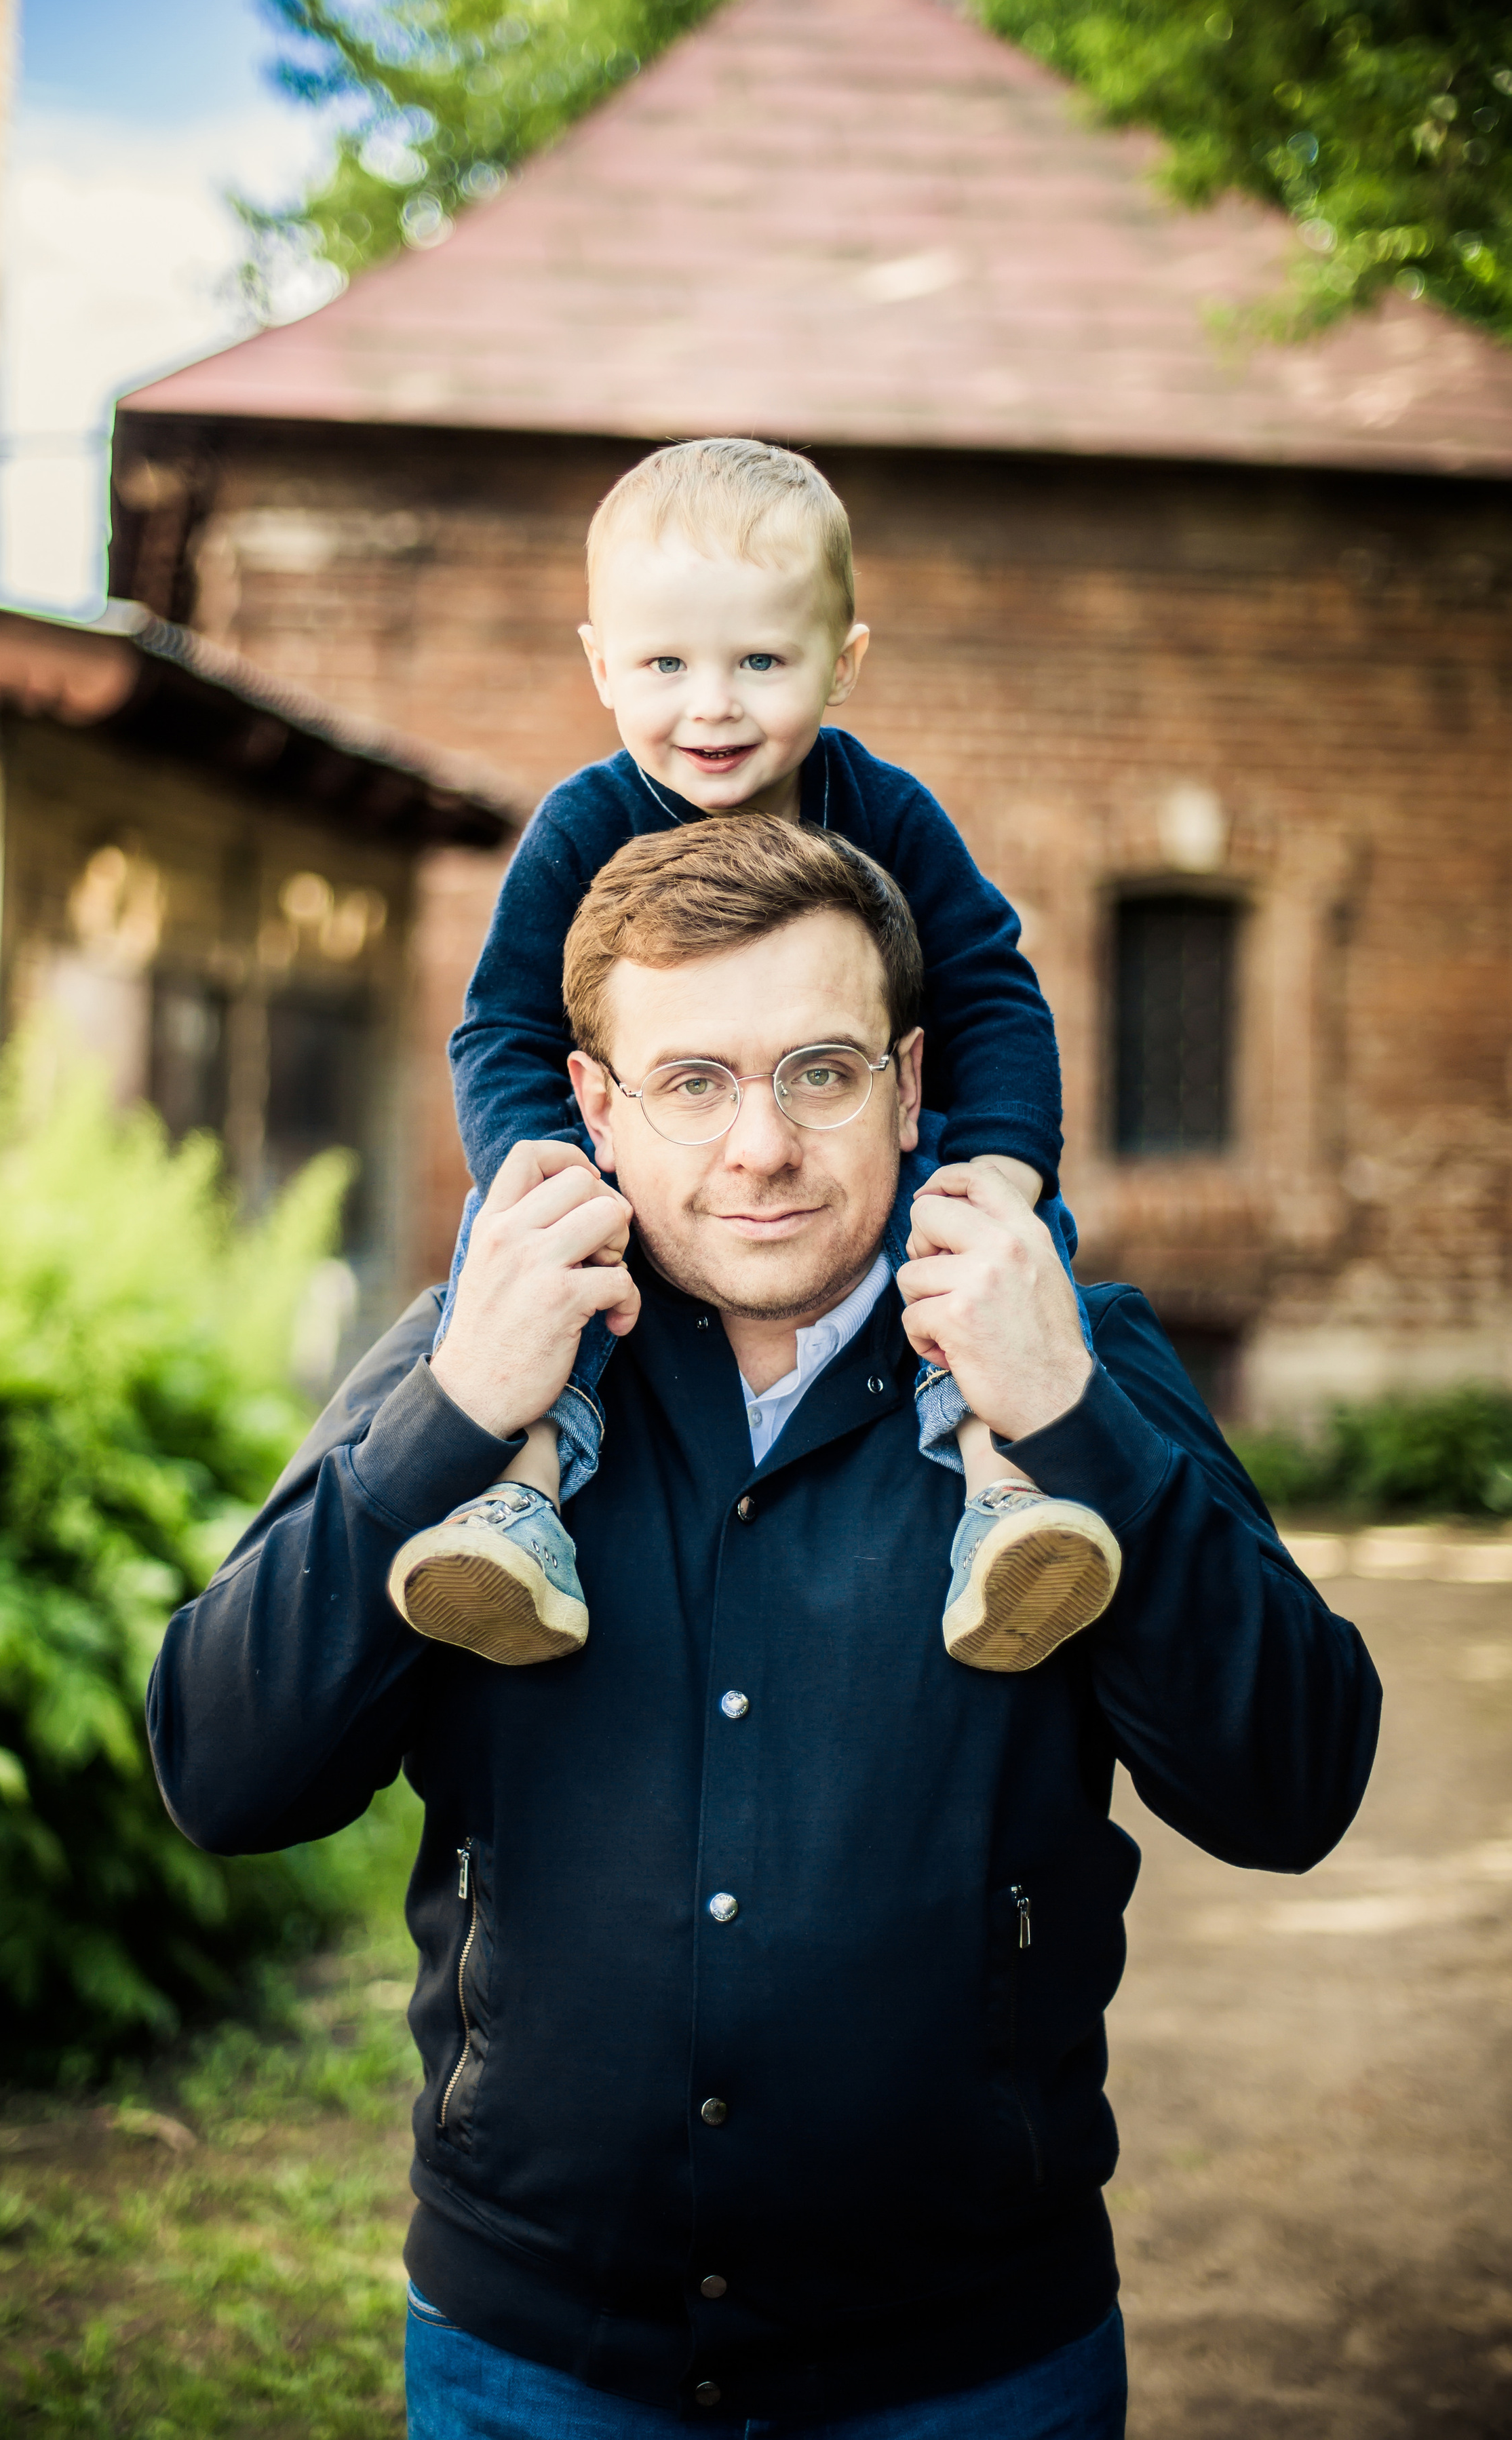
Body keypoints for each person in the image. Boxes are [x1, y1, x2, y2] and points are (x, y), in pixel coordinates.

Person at [147, 817, 1382, 2440]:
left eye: (819, 1073)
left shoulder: (1065, 1361)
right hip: (536, 2363)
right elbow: (224, 1776)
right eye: (690, 1081)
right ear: (592, 1107)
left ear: (910, 1084)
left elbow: (1291, 1791)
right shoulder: (479, 1360)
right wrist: (447, 1421)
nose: (760, 1149)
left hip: (972, 2372)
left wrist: (1072, 1422)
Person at [390, 437, 1117, 1678]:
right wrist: (547, 1163)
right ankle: (520, 1503)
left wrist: (1002, 1167)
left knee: (991, 1241)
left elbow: (994, 991)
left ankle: (1004, 1499)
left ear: (844, 663)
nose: (713, 705)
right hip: (637, 1160)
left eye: (762, 662)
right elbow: (502, 1027)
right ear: (602, 666)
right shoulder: (584, 826)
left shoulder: (888, 813)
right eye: (665, 664)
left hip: (875, 1153)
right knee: (522, 1241)